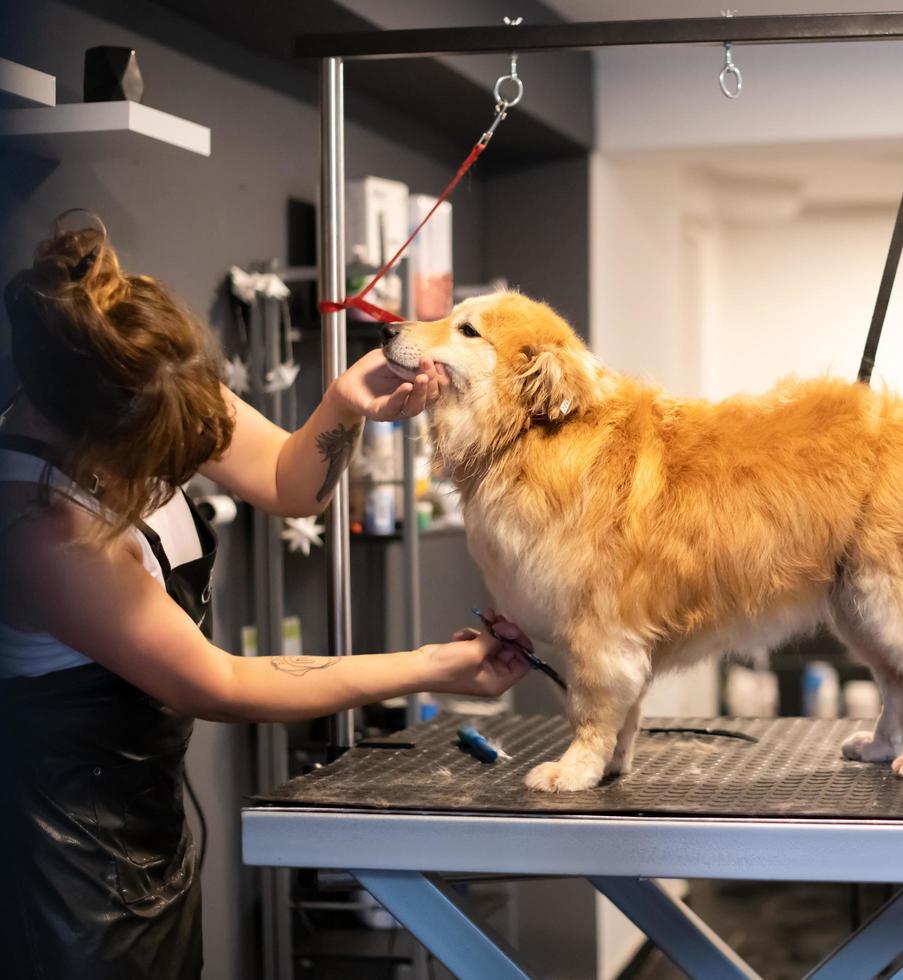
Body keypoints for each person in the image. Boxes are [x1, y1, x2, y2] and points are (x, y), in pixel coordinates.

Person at [0, 213, 531, 979]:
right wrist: (428, 667)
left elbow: (289, 482)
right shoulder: (40, 532)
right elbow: (222, 683)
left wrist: (343, 406)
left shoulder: (151, 377)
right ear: (97, 436)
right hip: (69, 869)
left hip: (150, 824)